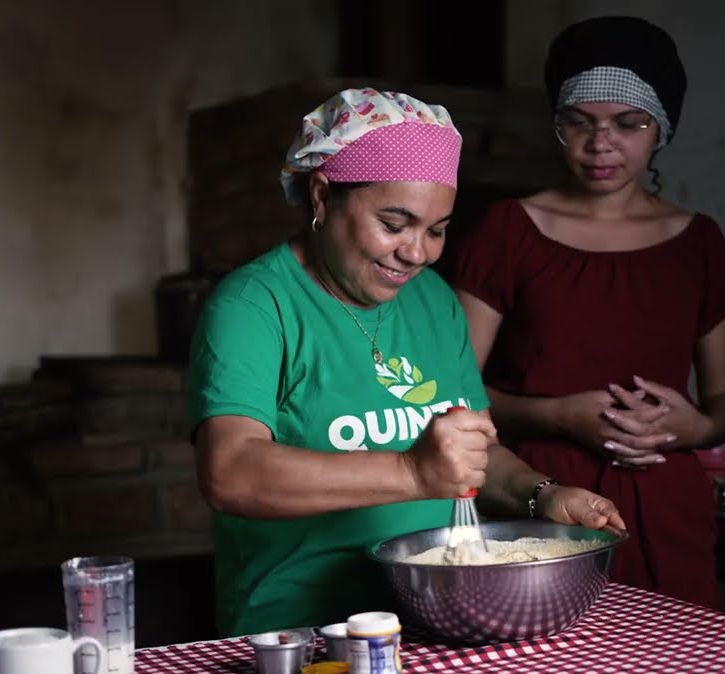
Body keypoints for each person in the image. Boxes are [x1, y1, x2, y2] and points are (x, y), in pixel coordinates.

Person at [187, 88, 626, 637]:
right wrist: (412, 472)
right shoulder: (254, 306)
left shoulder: (434, 301)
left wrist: (543, 494)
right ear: (322, 197)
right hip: (305, 635)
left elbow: (472, 453)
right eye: (395, 224)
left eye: (437, 230)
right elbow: (230, 472)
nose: (417, 253)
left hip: (436, 620)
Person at [447, 17, 725, 609]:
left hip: (667, 505)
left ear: (662, 127)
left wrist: (698, 427)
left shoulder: (697, 243)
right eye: (578, 124)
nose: (600, 143)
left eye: (628, 124)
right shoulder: (510, 231)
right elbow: (453, 394)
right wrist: (558, 415)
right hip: (542, 499)